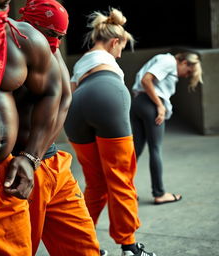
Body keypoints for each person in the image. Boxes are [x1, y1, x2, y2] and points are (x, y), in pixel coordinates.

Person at [0, 0, 61, 255]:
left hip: (5, 176)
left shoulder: (23, 39)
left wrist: (31, 157)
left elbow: (53, 91)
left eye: (2, 4)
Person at [64, 7, 156, 256]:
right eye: (121, 48)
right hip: (107, 95)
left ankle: (83, 245)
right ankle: (130, 247)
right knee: (120, 177)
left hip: (75, 107)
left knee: (95, 183)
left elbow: (72, 91)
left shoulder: (83, 60)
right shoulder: (109, 63)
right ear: (115, 41)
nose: (120, 53)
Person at [16, 0, 101, 255]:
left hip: (49, 162)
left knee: (84, 247)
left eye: (60, 36)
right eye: (50, 34)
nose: (54, 41)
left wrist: (35, 156)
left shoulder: (50, 50)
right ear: (29, 24)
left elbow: (64, 98)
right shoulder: (10, 50)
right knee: (19, 248)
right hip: (17, 167)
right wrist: (27, 159)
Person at [130, 52, 203, 205]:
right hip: (150, 105)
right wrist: (159, 105)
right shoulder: (169, 61)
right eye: (188, 72)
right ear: (183, 62)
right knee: (155, 149)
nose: (185, 76)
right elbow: (146, 80)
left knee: (135, 150)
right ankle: (159, 193)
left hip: (138, 103)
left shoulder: (163, 60)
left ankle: (126, 191)